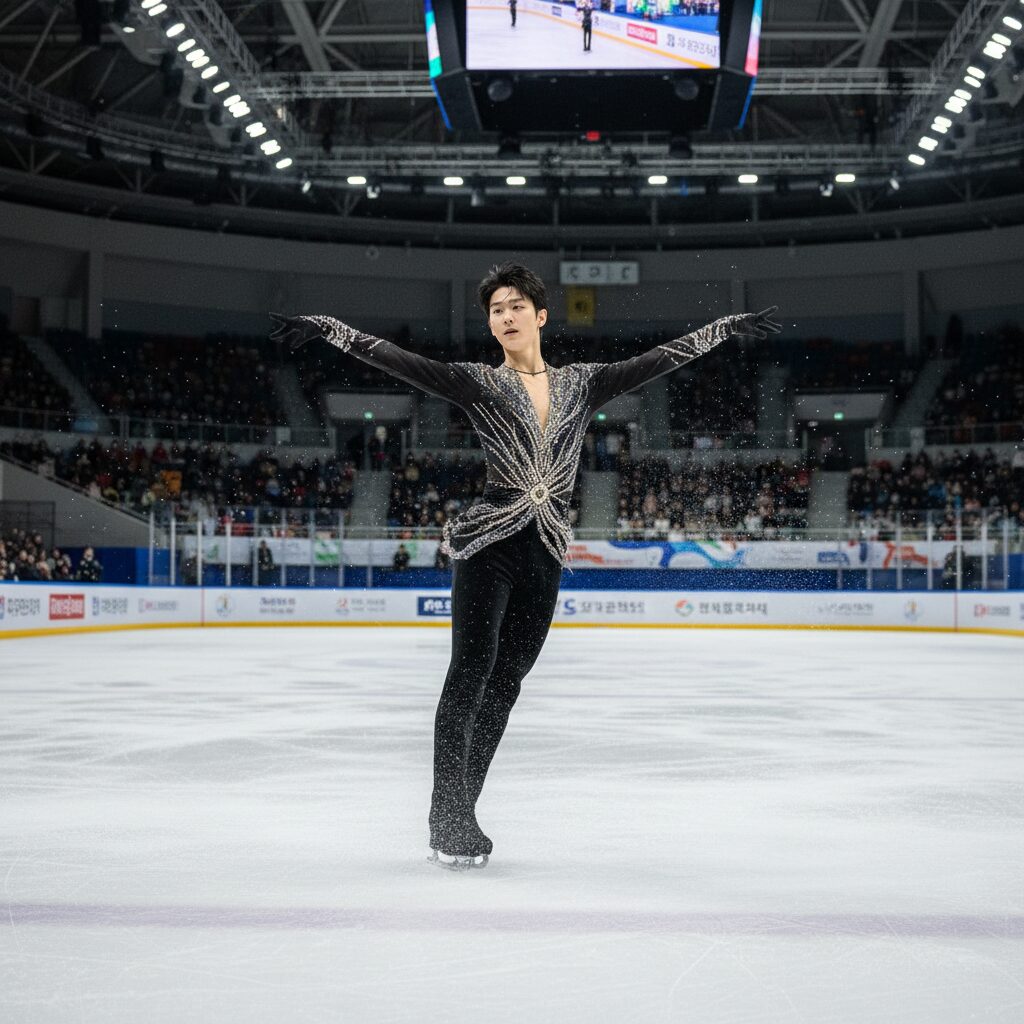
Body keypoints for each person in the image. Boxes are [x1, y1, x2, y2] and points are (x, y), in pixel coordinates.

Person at [269, 265, 779, 871]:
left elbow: (657, 359)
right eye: (495, 310)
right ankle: (447, 813)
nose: (505, 316)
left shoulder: (583, 384)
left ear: (540, 316)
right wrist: (331, 330)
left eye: (515, 306)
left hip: (547, 550)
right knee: (469, 675)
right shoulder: (479, 383)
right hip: (489, 542)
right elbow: (399, 360)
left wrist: (724, 327)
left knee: (505, 686)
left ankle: (463, 810)